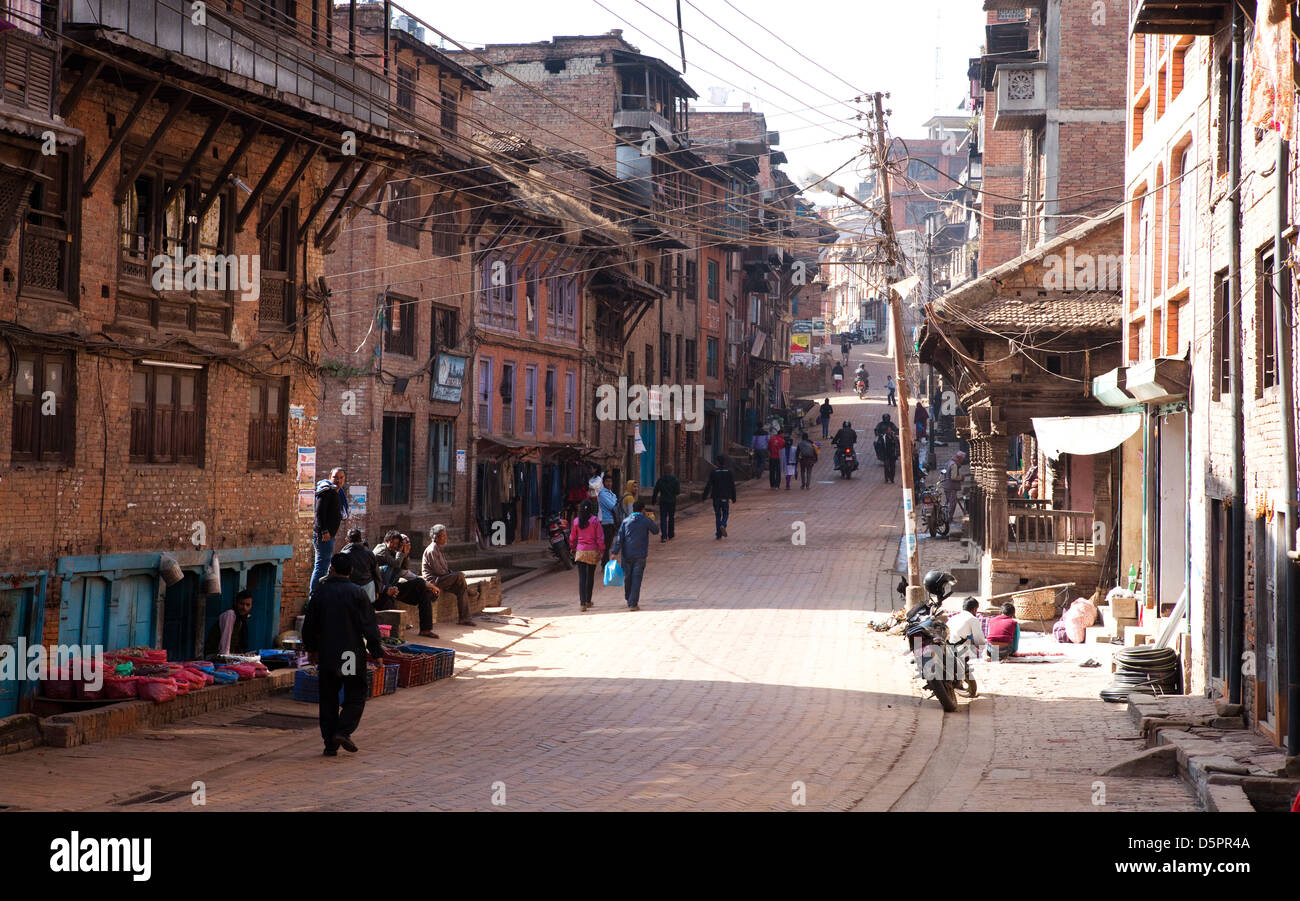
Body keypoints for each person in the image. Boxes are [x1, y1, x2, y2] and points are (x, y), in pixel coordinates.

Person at [301, 553, 384, 756]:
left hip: (328, 653)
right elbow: (369, 625)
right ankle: (343, 730)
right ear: (351, 571)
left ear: (332, 569)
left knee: (328, 697)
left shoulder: (320, 593)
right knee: (355, 693)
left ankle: (330, 743)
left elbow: (309, 624)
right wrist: (376, 651)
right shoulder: (357, 593)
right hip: (350, 654)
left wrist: (311, 649)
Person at [374, 530, 439, 638]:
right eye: (394, 544)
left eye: (397, 545)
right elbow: (395, 565)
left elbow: (406, 571)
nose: (395, 546)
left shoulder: (397, 555)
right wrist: (401, 552)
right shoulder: (382, 551)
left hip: (393, 587)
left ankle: (426, 629)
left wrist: (406, 555)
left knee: (422, 587)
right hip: (380, 590)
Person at [422, 524, 474, 627]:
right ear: (436, 538)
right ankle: (468, 590)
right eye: (443, 536)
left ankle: (464, 618)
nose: (446, 538)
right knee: (459, 576)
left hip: (441, 579)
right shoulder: (432, 550)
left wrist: (452, 574)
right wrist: (454, 575)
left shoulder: (438, 549)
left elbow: (445, 569)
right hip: (434, 581)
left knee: (461, 589)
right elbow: (439, 571)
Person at [611, 500, 659, 610]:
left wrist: (614, 552)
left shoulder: (625, 521)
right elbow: (656, 531)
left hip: (627, 554)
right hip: (640, 554)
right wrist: (649, 518)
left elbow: (619, 538)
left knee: (628, 577)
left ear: (633, 509)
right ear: (643, 510)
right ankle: (633, 603)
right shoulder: (646, 520)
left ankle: (629, 597)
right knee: (637, 578)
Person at [310, 467, 346, 599]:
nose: (338, 480)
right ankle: (313, 597)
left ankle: (317, 595)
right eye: (336, 477)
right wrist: (324, 530)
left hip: (329, 536)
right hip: (324, 535)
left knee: (324, 566)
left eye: (341, 478)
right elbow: (319, 513)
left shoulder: (337, 492)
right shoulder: (326, 491)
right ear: (330, 477)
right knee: (321, 566)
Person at [569, 499, 605, 610]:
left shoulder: (576, 521)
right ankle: (588, 600)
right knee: (590, 577)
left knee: (582, 578)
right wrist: (602, 550)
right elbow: (600, 537)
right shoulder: (595, 521)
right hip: (592, 551)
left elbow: (572, 538)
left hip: (580, 552)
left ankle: (582, 603)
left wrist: (572, 547)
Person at [945, 597, 986, 697]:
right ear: (975, 609)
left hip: (947, 647)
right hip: (959, 650)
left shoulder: (953, 618)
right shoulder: (973, 619)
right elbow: (980, 641)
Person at [339, 529, 385, 605]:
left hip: (349, 592)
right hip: (368, 592)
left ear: (347, 540)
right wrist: (377, 590)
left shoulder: (343, 554)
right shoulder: (369, 553)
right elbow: (376, 573)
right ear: (360, 539)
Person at [204, 589, 252, 656]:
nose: (244, 607)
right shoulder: (230, 615)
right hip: (215, 655)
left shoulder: (243, 619)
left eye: (247, 605)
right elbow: (225, 641)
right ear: (236, 603)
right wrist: (225, 659)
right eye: (241, 604)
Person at [701, 454, 737, 539]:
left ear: (717, 462)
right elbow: (732, 485)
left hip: (716, 497)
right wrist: (733, 497)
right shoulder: (729, 472)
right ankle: (723, 524)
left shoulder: (714, 472)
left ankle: (718, 533)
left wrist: (704, 496)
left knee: (717, 515)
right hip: (725, 496)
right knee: (725, 513)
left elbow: (708, 485)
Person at [651, 464, 681, 542]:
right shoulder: (675, 480)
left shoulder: (660, 480)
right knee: (671, 517)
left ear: (664, 470)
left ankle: (664, 536)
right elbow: (678, 492)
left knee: (663, 518)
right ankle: (671, 534)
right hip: (672, 501)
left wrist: (653, 501)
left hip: (663, 501)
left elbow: (655, 491)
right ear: (671, 470)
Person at [597, 474, 621, 566]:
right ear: (603, 483)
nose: (609, 483)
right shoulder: (602, 494)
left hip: (612, 521)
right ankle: (605, 564)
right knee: (606, 545)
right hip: (606, 522)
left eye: (610, 481)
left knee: (609, 544)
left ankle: (605, 563)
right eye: (607, 481)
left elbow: (616, 505)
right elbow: (613, 506)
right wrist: (617, 505)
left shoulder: (612, 494)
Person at [941, 451, 968, 523]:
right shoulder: (954, 465)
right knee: (952, 503)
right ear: (960, 458)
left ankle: (946, 517)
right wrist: (961, 478)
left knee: (948, 502)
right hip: (951, 486)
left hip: (946, 485)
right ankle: (949, 519)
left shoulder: (950, 462)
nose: (963, 461)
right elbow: (954, 477)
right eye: (962, 459)